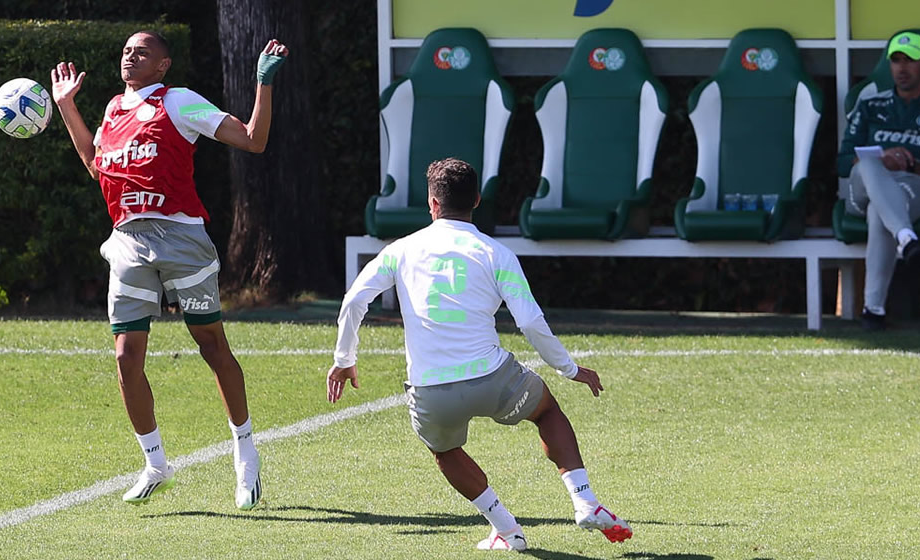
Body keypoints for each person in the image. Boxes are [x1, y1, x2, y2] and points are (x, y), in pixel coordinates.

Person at [326, 158, 632, 551]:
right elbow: (532, 322)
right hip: (494, 379)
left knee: (445, 450)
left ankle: (506, 528)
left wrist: (344, 359)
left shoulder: (400, 250)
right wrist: (568, 369)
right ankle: (584, 501)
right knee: (547, 411)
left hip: (431, 390)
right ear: (476, 200)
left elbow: (354, 301)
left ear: (432, 204)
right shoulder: (496, 252)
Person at [50, 30, 288, 509]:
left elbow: (253, 140)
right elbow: (96, 166)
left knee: (211, 345)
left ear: (163, 65)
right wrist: (66, 106)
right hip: (127, 241)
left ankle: (245, 453)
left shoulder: (177, 101)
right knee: (124, 358)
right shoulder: (114, 109)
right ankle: (156, 464)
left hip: (181, 240)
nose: (130, 56)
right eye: (125, 51)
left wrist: (263, 83)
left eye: (142, 51)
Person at [837, 31, 920, 331]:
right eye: (896, 60)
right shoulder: (869, 106)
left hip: (914, 187)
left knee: (879, 213)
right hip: (863, 189)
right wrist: (883, 159)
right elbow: (843, 162)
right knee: (870, 164)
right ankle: (906, 237)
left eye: (910, 61)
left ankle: (874, 310)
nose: (901, 68)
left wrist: (911, 164)